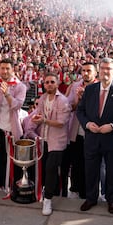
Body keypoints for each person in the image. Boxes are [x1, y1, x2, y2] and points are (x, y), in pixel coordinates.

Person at [76, 57, 113, 214]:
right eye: (102, 68)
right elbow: (80, 111)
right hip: (92, 139)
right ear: (99, 70)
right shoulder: (90, 89)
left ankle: (112, 200)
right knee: (91, 171)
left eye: (108, 69)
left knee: (112, 172)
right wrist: (87, 124)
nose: (105, 71)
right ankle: (91, 198)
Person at [28, 73, 71, 215]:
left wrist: (43, 121)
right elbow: (39, 115)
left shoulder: (63, 100)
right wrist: (35, 119)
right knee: (46, 169)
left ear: (57, 84)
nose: (49, 84)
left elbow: (61, 123)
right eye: (47, 82)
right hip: (44, 139)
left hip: (58, 141)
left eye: (52, 81)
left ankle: (48, 200)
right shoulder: (42, 98)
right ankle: (47, 192)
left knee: (51, 169)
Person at [0, 58, 27, 191]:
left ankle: (13, 186)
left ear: (12, 70)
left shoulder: (20, 87)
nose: (5, 71)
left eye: (7, 68)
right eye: (2, 68)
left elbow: (17, 105)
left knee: (13, 161)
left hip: (13, 130)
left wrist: (7, 94)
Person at [66, 62, 97, 199]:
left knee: (91, 164)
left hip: (93, 132)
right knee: (76, 162)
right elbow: (70, 107)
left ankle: (89, 193)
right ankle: (75, 189)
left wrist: (87, 98)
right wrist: (78, 100)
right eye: (83, 70)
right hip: (76, 131)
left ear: (95, 73)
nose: (86, 73)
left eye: (89, 71)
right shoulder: (75, 86)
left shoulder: (100, 88)